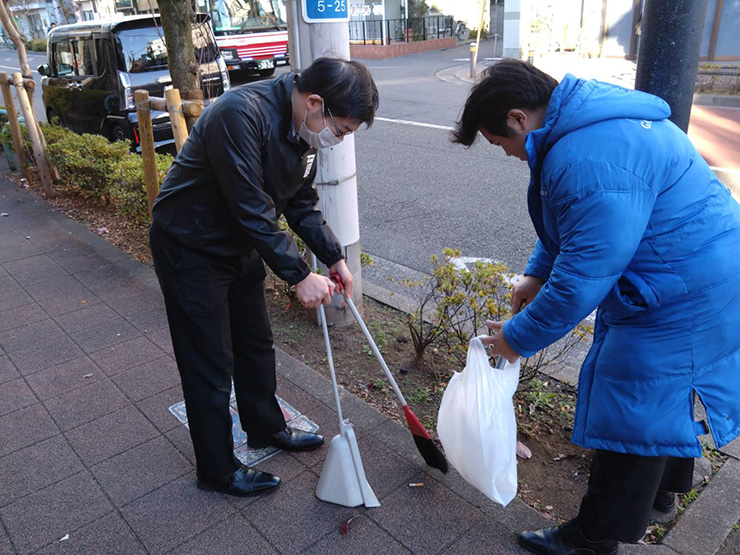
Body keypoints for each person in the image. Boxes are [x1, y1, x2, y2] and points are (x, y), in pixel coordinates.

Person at [453, 58, 740, 554]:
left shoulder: (587, 158)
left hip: (681, 292)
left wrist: (515, 339)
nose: (505, 154)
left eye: (500, 142)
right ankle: (661, 497)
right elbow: (574, 224)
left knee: (632, 400)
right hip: (698, 273)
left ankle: (594, 536)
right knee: (662, 395)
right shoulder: (590, 122)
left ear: (519, 118)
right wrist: (536, 272)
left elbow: (582, 276)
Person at [150, 57, 379, 497]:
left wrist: (333, 258)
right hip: (191, 245)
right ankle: (216, 469)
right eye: (342, 130)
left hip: (239, 243)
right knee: (210, 362)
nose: (337, 139)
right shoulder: (241, 114)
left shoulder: (300, 128)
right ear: (314, 103)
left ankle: (266, 427)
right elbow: (251, 206)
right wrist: (298, 275)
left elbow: (298, 200)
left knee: (255, 345)